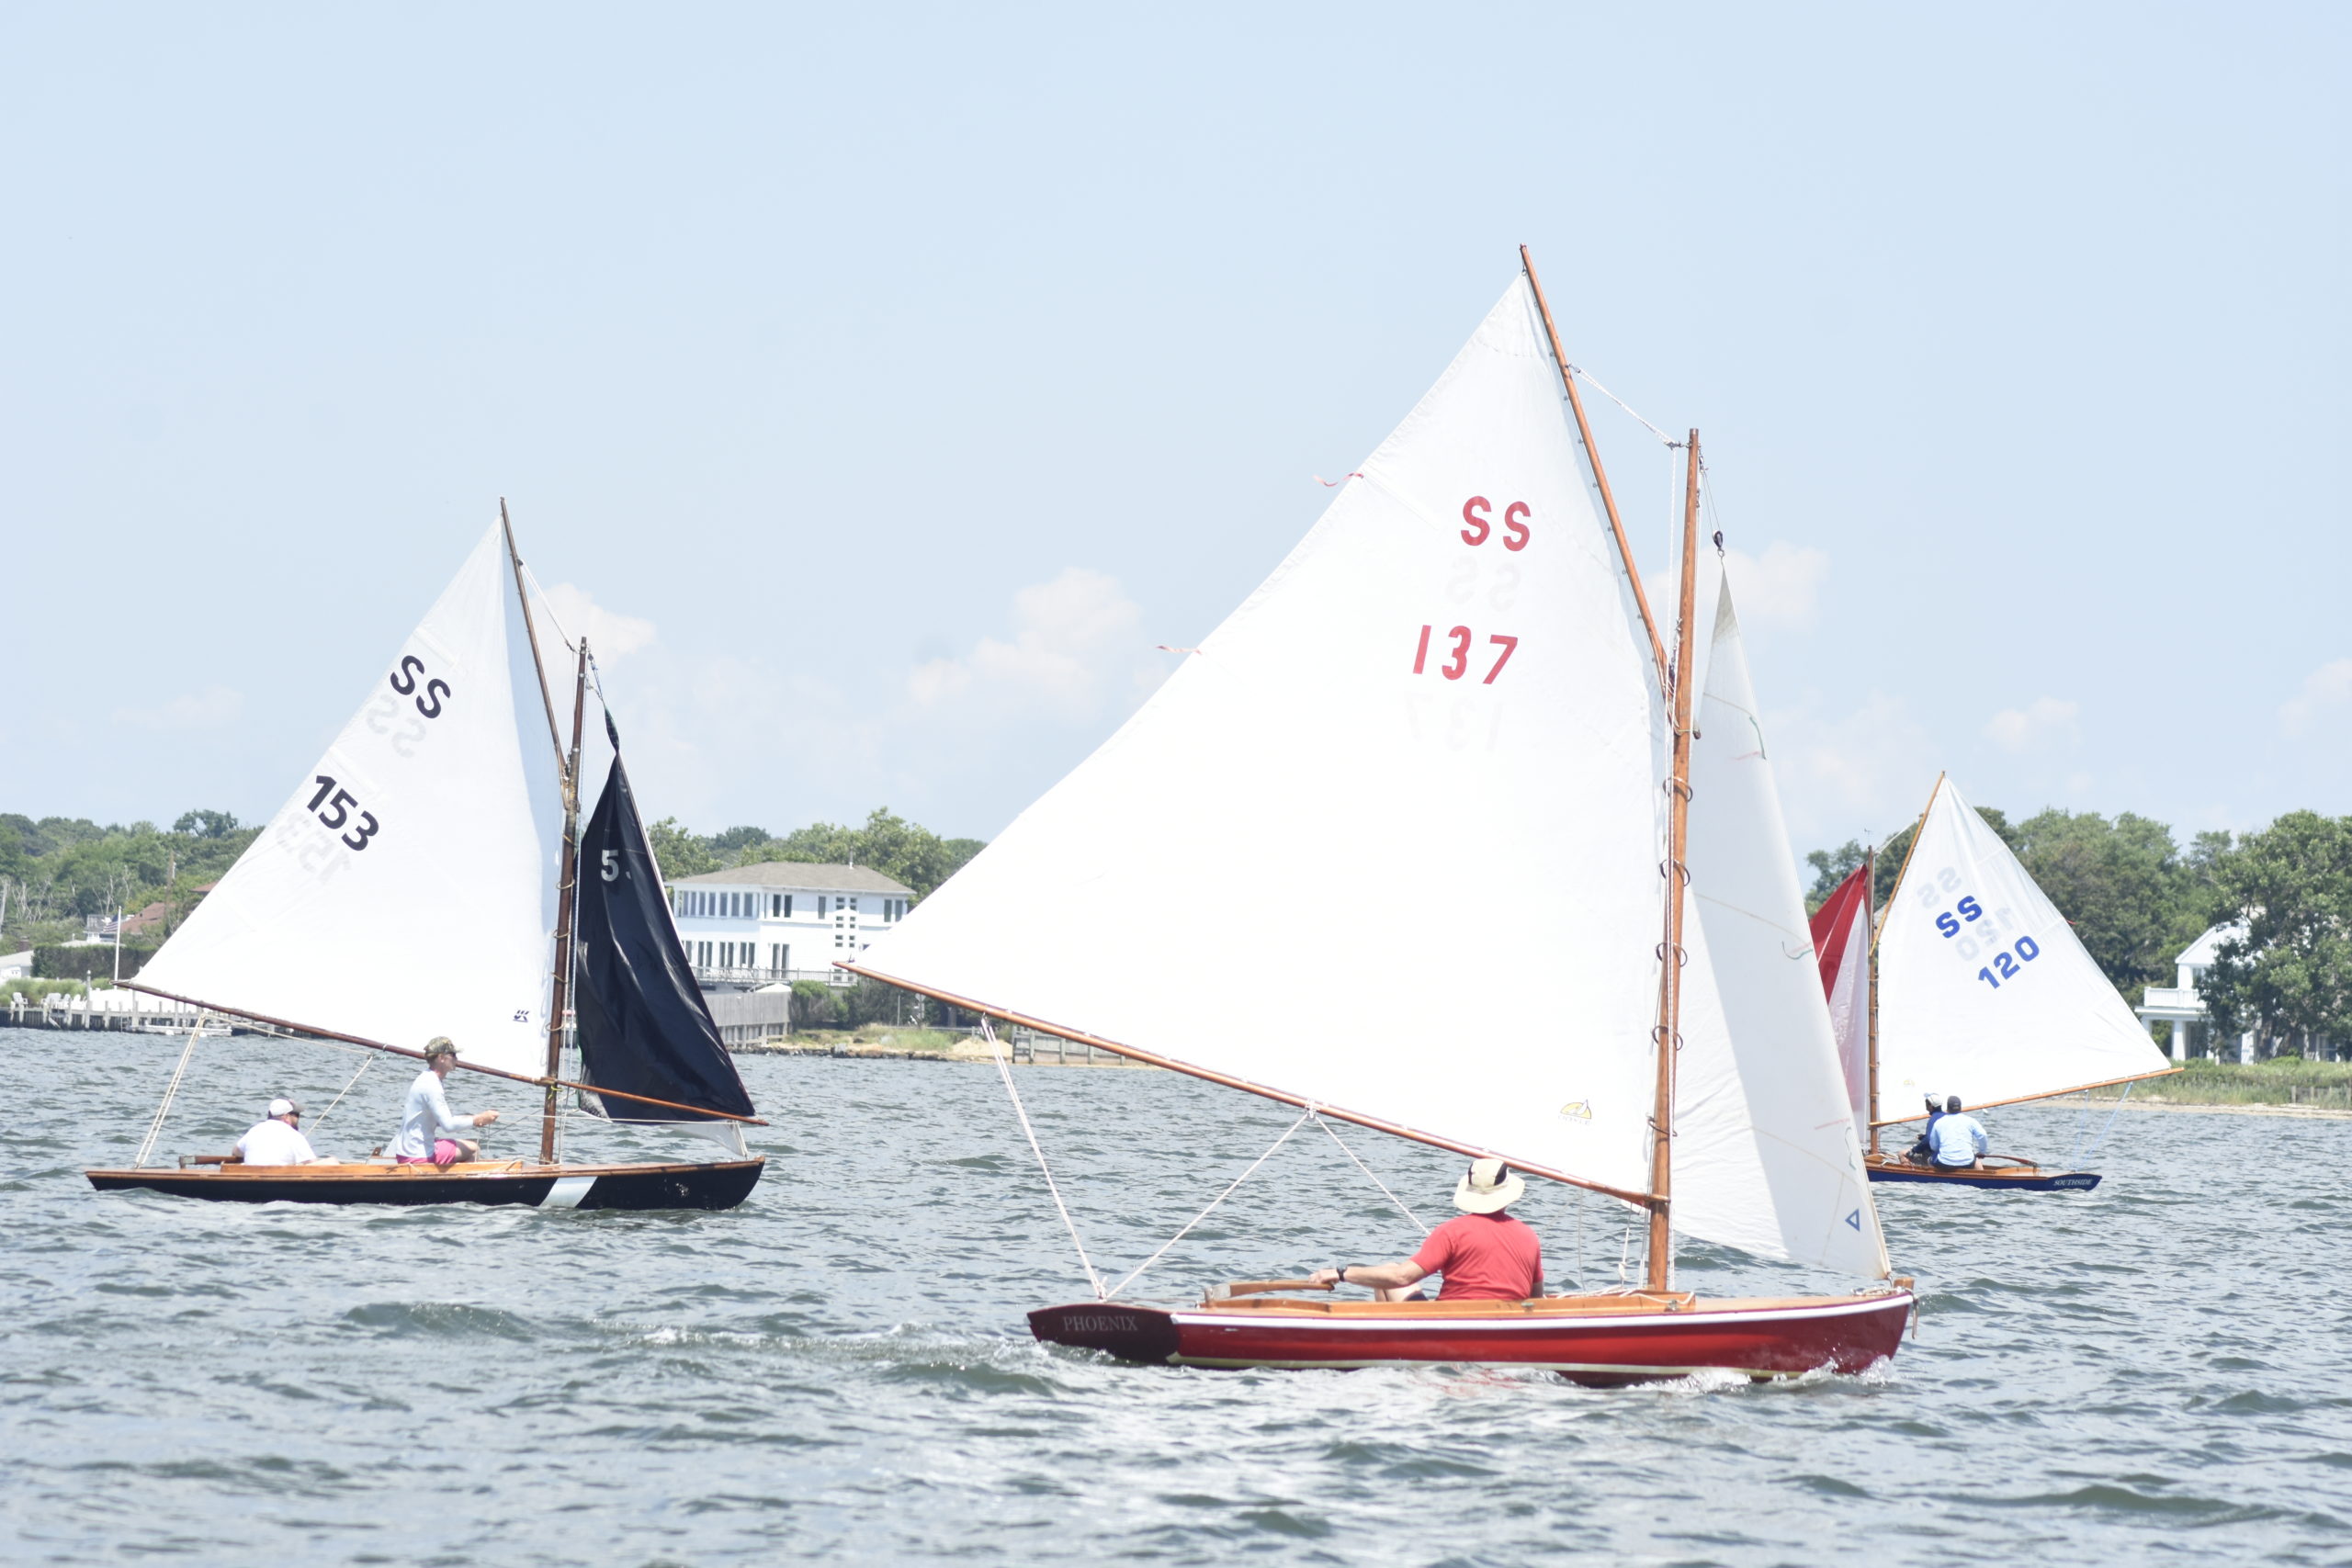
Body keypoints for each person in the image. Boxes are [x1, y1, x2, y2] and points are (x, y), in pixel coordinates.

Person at [1307, 1157, 1543, 1303]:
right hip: (1500, 1322)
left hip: (1452, 1322)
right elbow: (1536, 1299)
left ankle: (1391, 1346)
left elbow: (1401, 1277)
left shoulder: (1451, 1231)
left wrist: (1340, 1273)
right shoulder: (1529, 1236)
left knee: (1388, 1274)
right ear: (1507, 1196)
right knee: (1389, 1271)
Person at [392, 1038, 500, 1167]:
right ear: (441, 1058)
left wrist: (473, 1118)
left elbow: (438, 1120)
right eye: (453, 1055)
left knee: (462, 1144)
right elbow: (448, 1125)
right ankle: (460, 1185)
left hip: (407, 1151)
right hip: (417, 1154)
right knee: (473, 1149)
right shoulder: (432, 1086)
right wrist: (478, 1119)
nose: (456, 1059)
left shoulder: (425, 1078)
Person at [233, 1098, 321, 1166]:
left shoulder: (254, 1130)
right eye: (295, 1115)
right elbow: (313, 1164)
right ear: (286, 1117)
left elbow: (236, 1152)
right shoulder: (294, 1135)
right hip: (279, 1185)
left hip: (250, 1184)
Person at [1927, 1094, 1991, 1170]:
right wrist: (1982, 1152)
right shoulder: (1970, 1121)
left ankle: (1936, 1179)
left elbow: (1933, 1146)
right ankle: (1981, 1178)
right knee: (1976, 1162)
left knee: (1929, 1160)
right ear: (1960, 1108)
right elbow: (1982, 1135)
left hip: (1944, 1164)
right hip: (1968, 1164)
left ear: (1947, 1108)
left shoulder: (1938, 1122)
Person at [1904, 1089, 1946, 1166]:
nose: (1925, 1105)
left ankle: (1910, 1176)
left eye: (1926, 1103)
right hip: (1947, 1153)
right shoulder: (1946, 1116)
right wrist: (1924, 1137)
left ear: (1931, 1106)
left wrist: (1914, 1150)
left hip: (1937, 1156)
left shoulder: (1933, 1119)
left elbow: (1929, 1140)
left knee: (1902, 1154)